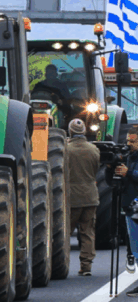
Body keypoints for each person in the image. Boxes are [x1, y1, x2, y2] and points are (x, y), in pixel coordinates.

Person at [66, 118, 100, 277]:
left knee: (65, 233)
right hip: (90, 196)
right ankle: (86, 266)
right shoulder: (94, 149)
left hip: (72, 197)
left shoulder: (66, 149)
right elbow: (96, 170)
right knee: (88, 232)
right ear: (84, 131)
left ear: (70, 131)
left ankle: (62, 264)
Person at [115, 128, 138, 284]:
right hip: (130, 207)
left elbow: (132, 175)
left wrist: (128, 172)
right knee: (135, 247)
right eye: (128, 140)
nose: (129, 144)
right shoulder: (130, 157)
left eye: (133, 141)